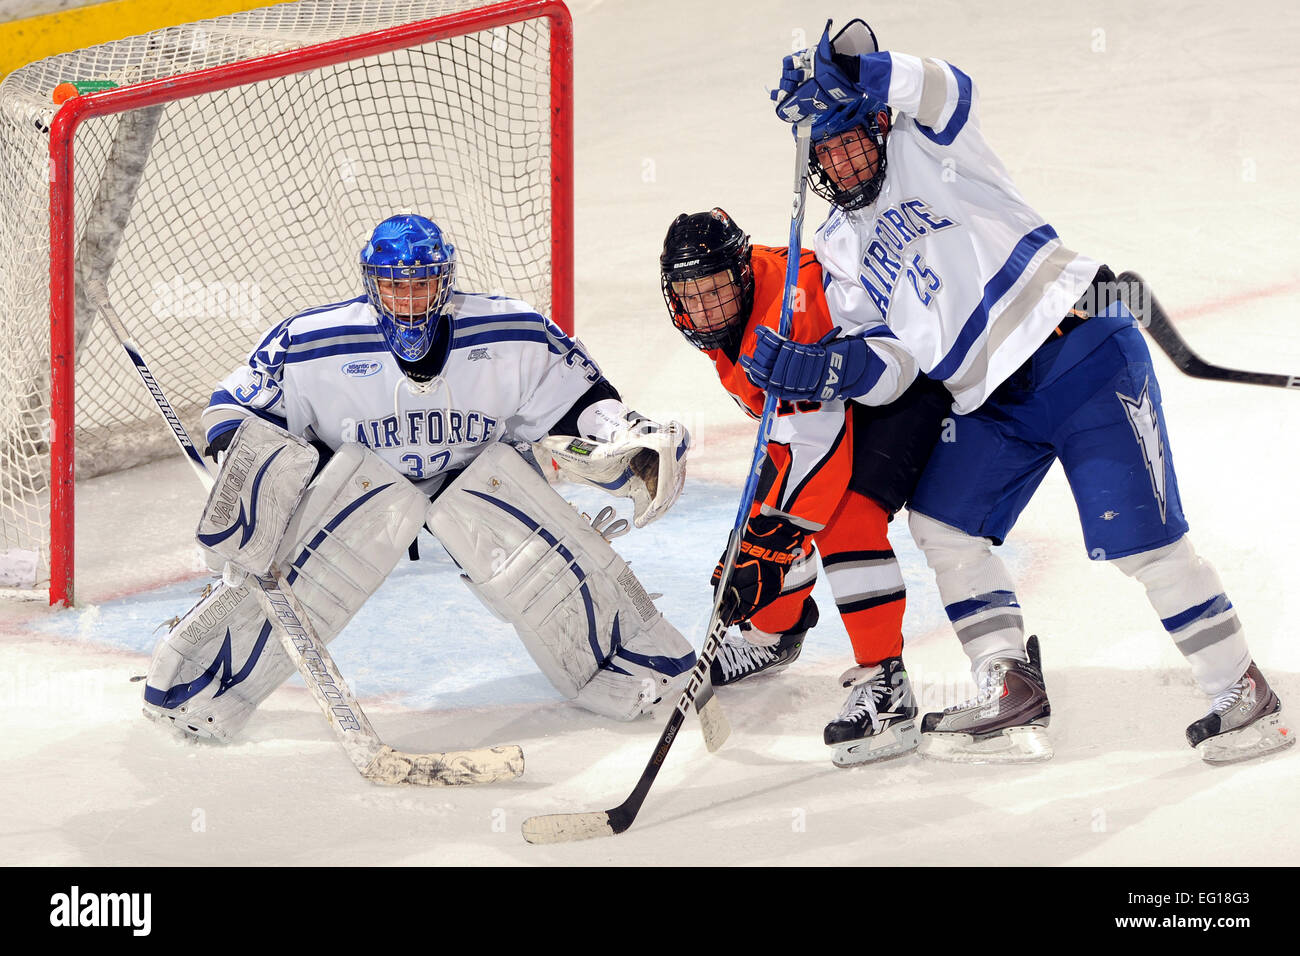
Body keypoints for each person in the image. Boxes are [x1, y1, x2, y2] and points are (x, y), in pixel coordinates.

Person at [744, 20, 1292, 765]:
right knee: (943, 526)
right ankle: (1008, 683)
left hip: (1080, 356)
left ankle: (1242, 690)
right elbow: (898, 364)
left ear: (874, 123)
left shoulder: (926, 143)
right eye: (826, 150)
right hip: (988, 403)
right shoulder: (840, 246)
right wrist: (830, 370)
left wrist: (861, 67)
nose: (842, 160)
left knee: (1145, 543)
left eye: (850, 138)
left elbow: (945, 85)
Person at [142, 213, 696, 741]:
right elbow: (233, 409)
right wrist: (246, 466)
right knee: (301, 572)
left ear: (445, 279)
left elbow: (581, 403)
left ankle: (634, 659)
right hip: (360, 490)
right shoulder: (313, 341)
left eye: (422, 283)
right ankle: (200, 681)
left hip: (478, 483)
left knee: (535, 553)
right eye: (394, 286)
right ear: (370, 285)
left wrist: (631, 439)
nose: (409, 300)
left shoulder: (511, 330)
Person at [660, 207, 949, 765]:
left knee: (842, 518)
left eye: (715, 290)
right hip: (836, 402)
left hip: (908, 385)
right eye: (689, 295)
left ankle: (888, 688)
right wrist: (759, 538)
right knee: (764, 535)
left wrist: (773, 538)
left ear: (742, 276)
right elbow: (792, 434)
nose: (703, 308)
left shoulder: (784, 312)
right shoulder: (727, 323)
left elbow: (821, 450)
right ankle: (774, 638)